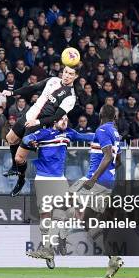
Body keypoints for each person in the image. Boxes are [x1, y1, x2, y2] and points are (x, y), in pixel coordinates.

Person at [22, 115, 94, 268]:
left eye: (67, 120)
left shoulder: (69, 133)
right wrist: (31, 142)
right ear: (54, 121)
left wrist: (104, 135)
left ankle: (57, 239)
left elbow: (86, 136)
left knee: (68, 211)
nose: (65, 122)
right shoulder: (45, 133)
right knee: (45, 219)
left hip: (59, 179)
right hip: (42, 179)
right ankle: (49, 250)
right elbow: (27, 138)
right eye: (62, 119)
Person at [1, 65, 78, 196]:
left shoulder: (70, 96)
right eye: (65, 72)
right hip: (30, 114)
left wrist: (37, 122)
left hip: (39, 124)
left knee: (20, 158)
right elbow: (33, 88)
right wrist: (12, 93)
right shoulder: (52, 80)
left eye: (71, 74)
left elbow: (55, 117)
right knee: (10, 138)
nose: (67, 76)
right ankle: (14, 167)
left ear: (76, 76)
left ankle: (21, 180)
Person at [67, 104, 124, 278]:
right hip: (108, 183)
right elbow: (118, 160)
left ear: (100, 114)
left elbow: (108, 156)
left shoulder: (102, 130)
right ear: (114, 116)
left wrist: (93, 179)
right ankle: (113, 258)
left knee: (67, 197)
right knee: (88, 221)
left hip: (96, 180)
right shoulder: (115, 133)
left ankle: (50, 243)